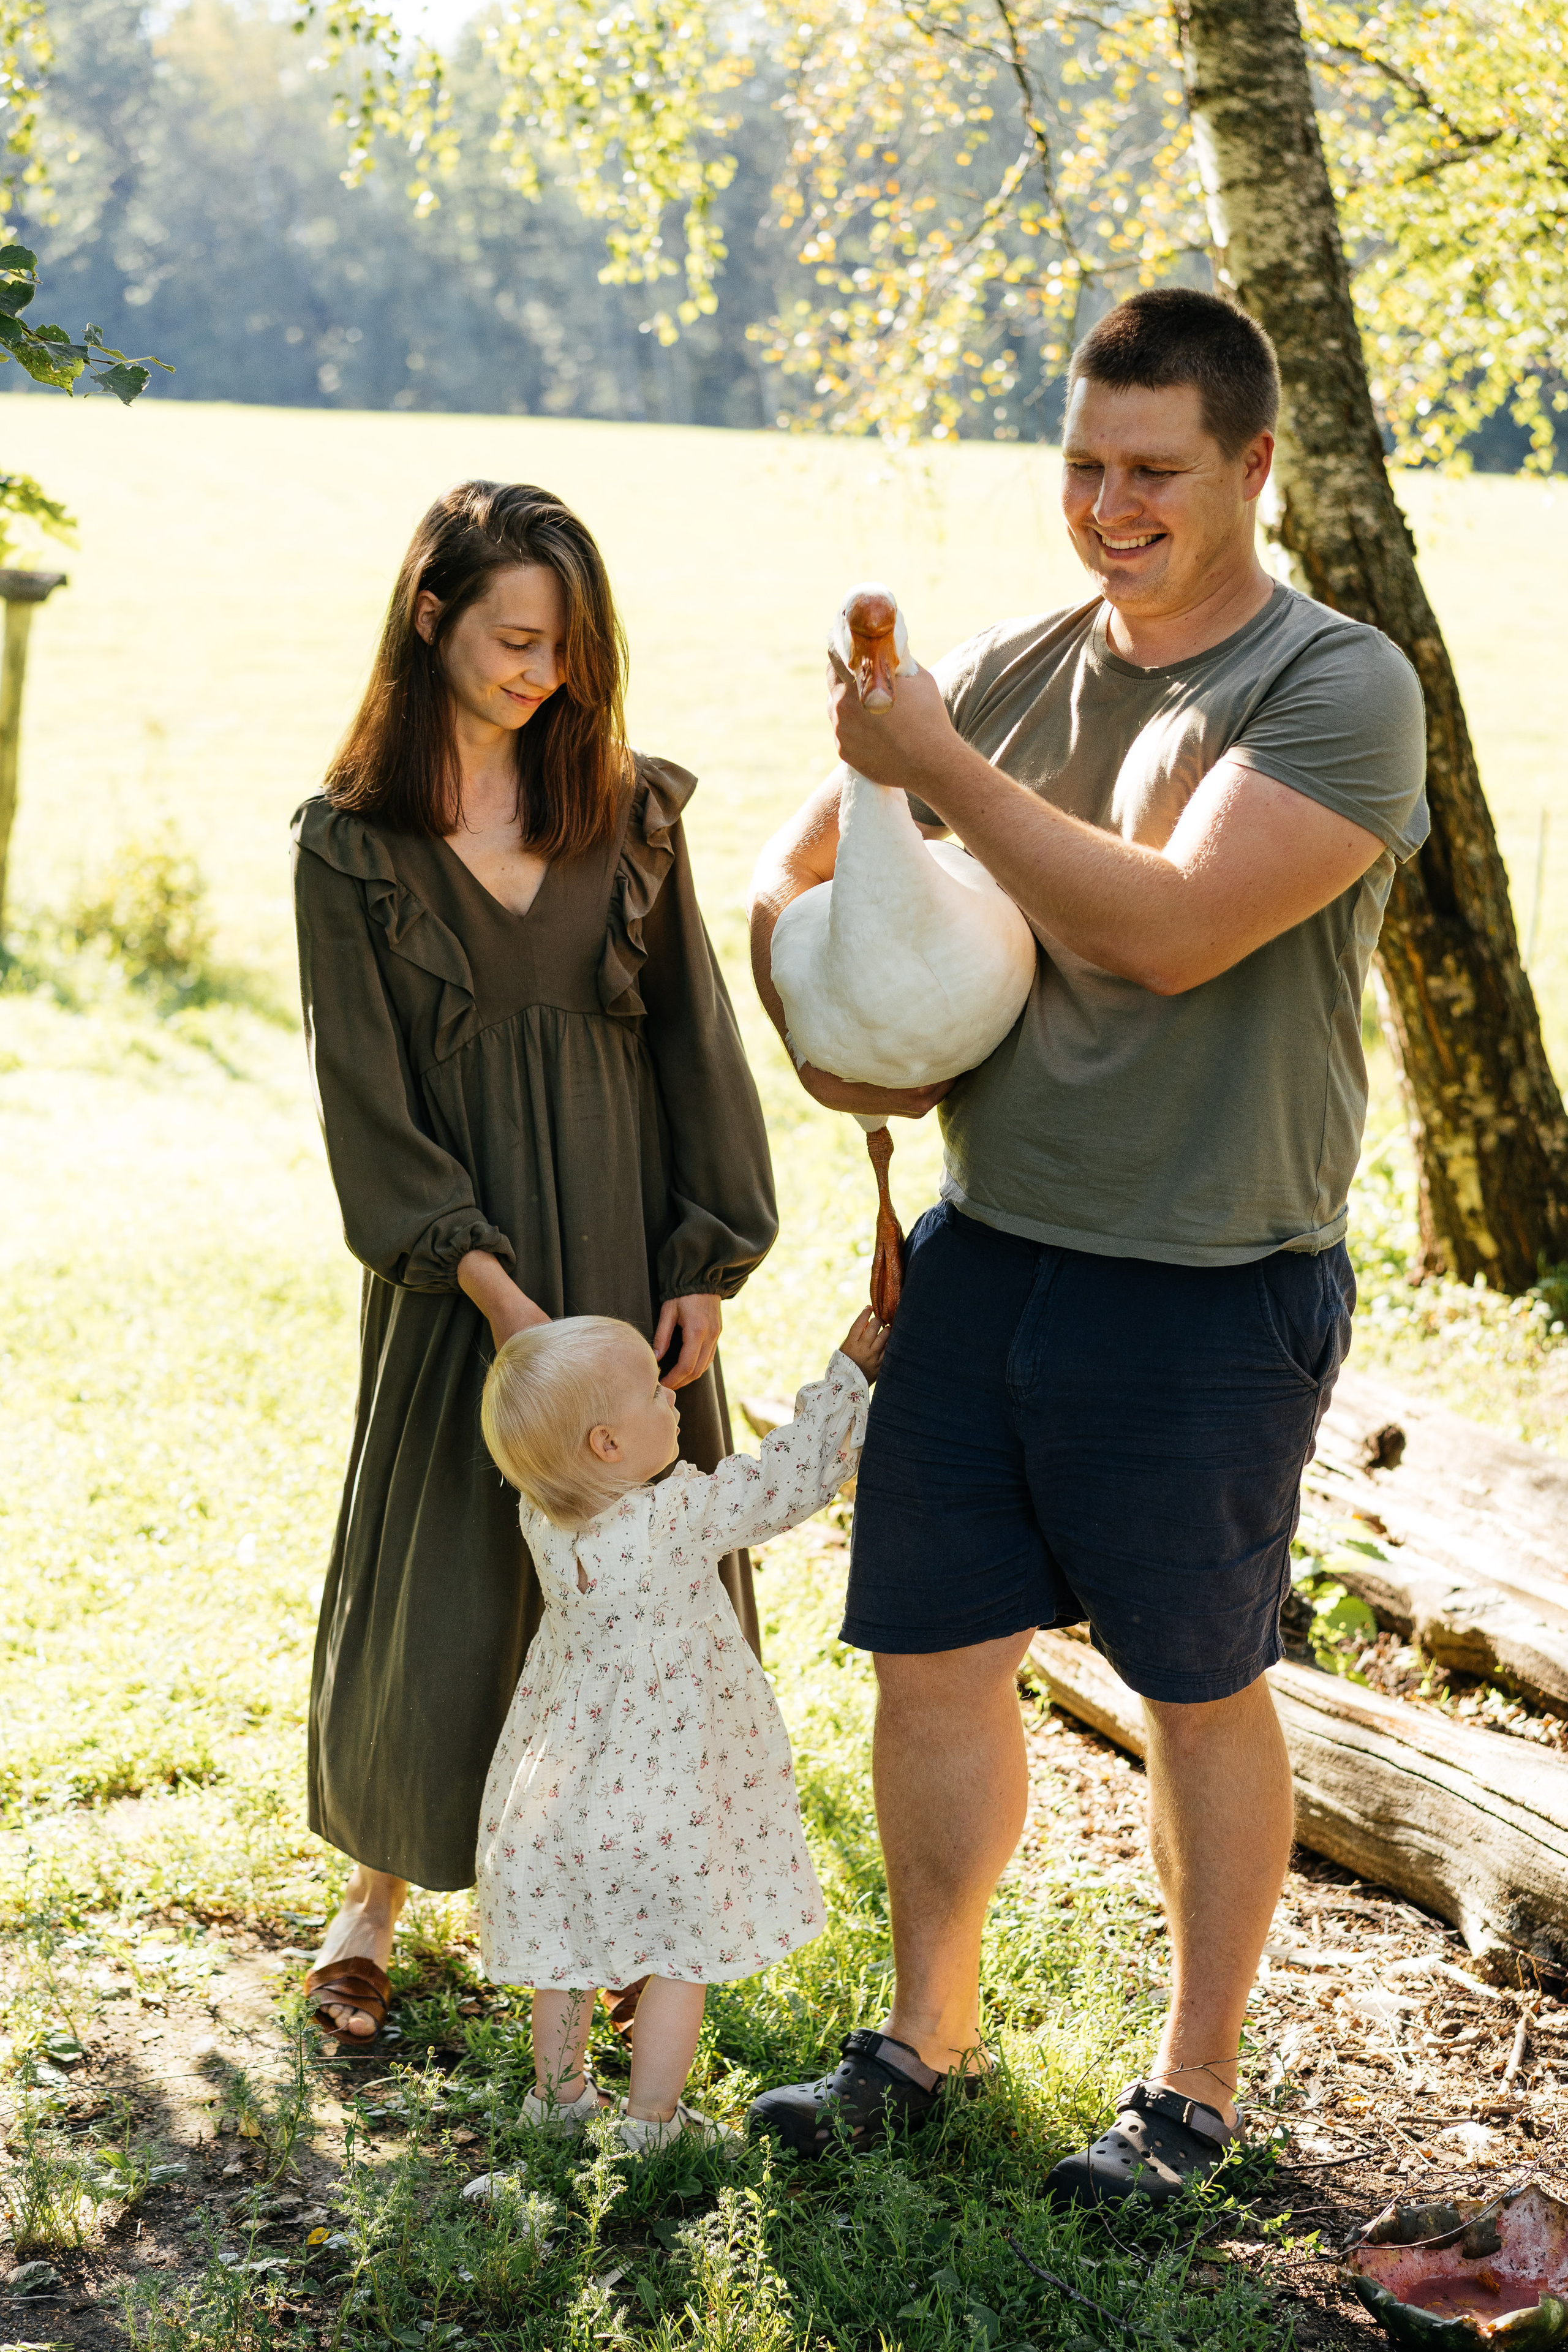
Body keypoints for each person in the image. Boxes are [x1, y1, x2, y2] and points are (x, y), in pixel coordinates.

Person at [745, 288, 1429, 2201]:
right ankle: (923, 2042)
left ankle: (1191, 2097)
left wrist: (939, 766)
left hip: (1214, 1283)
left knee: (1195, 1688)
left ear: (1253, 469)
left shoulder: (1334, 684)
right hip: (987, 1255)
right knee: (933, 1663)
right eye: (1082, 467)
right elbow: (785, 874)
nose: (1109, 506)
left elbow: (1172, 928)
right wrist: (823, 1022)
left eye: (1154, 472)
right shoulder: (1010, 664)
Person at [293, 480, 778, 2042]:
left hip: (630, 1254)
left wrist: (702, 1260)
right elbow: (364, 1100)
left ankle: (640, 1914)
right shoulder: (350, 848)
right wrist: (502, 1307)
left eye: (566, 647)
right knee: (442, 1562)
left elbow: (698, 1040)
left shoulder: (630, 811)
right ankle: (376, 1896)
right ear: (429, 615)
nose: (538, 673)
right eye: (513, 637)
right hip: (465, 1283)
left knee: (647, 1597)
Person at [475, 1308, 886, 2149]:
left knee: (566, 1956)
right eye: (655, 1394)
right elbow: (790, 1476)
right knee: (678, 1954)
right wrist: (848, 1373)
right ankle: (652, 2125)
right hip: (669, 1793)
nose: (675, 1399)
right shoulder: (675, 1519)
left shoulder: (543, 1518)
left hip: (565, 1784)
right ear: (606, 1445)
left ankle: (557, 2105)